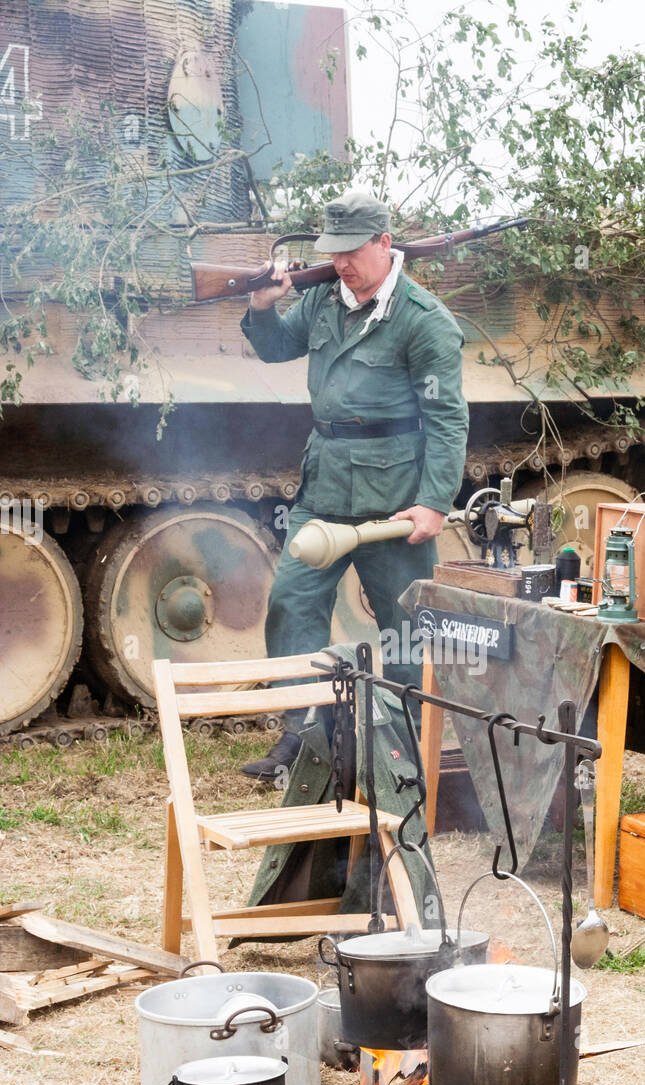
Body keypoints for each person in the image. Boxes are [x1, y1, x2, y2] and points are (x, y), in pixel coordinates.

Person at [238, 190, 468, 779]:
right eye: (332, 251)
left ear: (385, 244)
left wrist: (434, 503)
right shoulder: (320, 297)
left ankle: (412, 744)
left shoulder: (423, 320)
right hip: (324, 483)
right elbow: (277, 348)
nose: (341, 262)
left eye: (352, 251)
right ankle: (302, 736)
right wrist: (262, 306)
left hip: (394, 496)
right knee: (292, 602)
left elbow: (446, 419)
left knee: (408, 624)